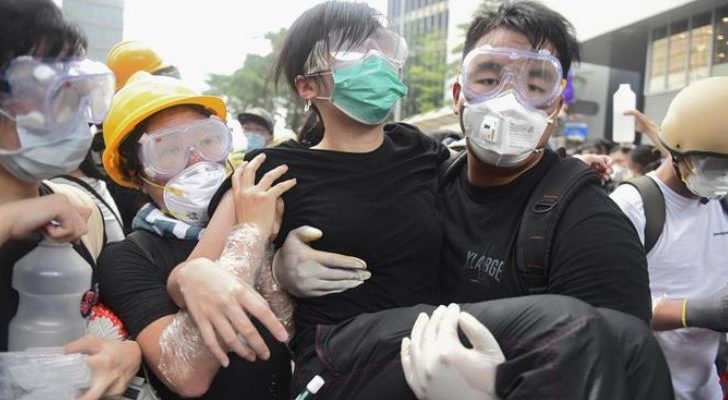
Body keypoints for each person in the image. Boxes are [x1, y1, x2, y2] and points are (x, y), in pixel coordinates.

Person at [172, 2, 672, 399]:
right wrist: (256, 269)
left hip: (421, 343)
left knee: (632, 344)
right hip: (336, 357)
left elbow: (504, 164)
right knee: (571, 326)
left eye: (382, 48)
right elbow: (195, 271)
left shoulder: (420, 151)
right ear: (307, 84)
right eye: (352, 52)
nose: (374, 61)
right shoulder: (272, 169)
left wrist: (577, 166)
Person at [96, 71, 293, 399]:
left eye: (207, 140)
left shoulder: (267, 210)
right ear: (136, 174)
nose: (197, 159)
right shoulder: (128, 257)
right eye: (169, 150)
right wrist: (249, 235)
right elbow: (187, 375)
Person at [0, 0, 141, 398]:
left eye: (78, 89)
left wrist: (125, 355)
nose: (74, 108)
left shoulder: (70, 212)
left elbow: (99, 324)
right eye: (46, 87)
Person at [610, 77, 728, 400]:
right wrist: (692, 311)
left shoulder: (721, 205)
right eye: (716, 165)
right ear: (677, 152)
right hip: (639, 386)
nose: (723, 177)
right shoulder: (632, 207)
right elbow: (605, 305)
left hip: (704, 384)